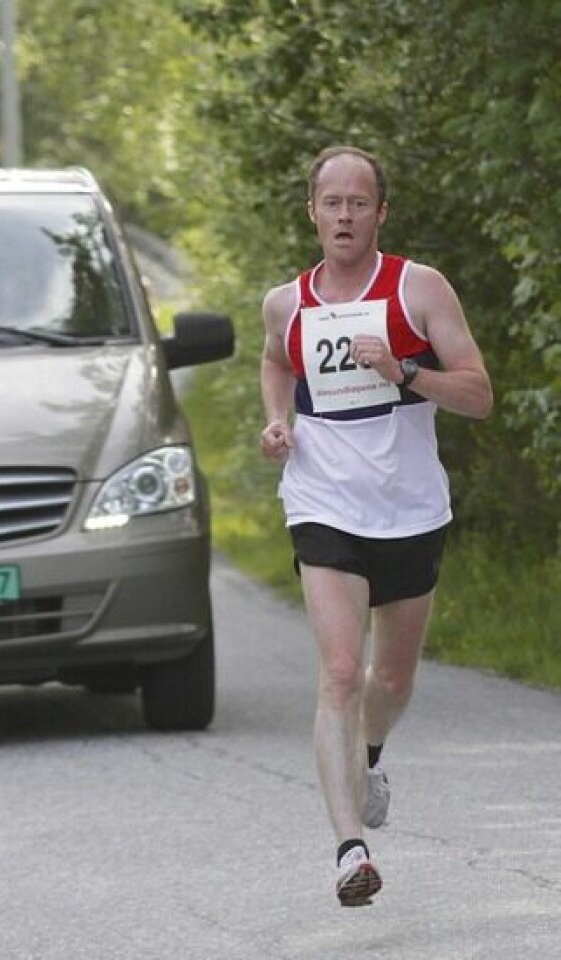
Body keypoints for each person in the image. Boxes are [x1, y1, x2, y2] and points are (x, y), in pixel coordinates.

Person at [258, 145, 493, 907]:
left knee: (389, 680)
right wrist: (276, 421)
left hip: (410, 508)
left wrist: (405, 372)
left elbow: (479, 395)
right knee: (336, 673)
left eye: (360, 203)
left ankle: (371, 752)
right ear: (313, 214)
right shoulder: (285, 303)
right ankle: (349, 849)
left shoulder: (418, 289)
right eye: (333, 203)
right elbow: (274, 362)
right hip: (323, 502)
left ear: (380, 213)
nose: (346, 216)